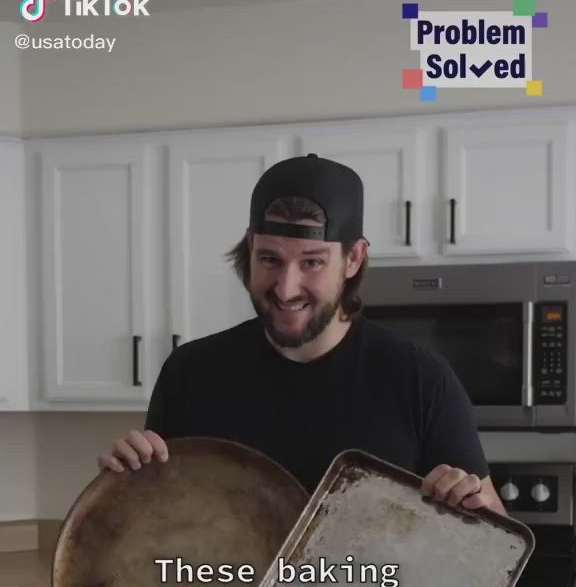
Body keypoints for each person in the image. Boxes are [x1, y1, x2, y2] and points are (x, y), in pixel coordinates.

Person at [97, 153, 505, 516]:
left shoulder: (420, 380)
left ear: (353, 258)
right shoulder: (190, 373)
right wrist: (123, 487)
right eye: (270, 259)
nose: (286, 287)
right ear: (250, 248)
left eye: (311, 262)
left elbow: (494, 543)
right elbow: (158, 524)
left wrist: (477, 512)